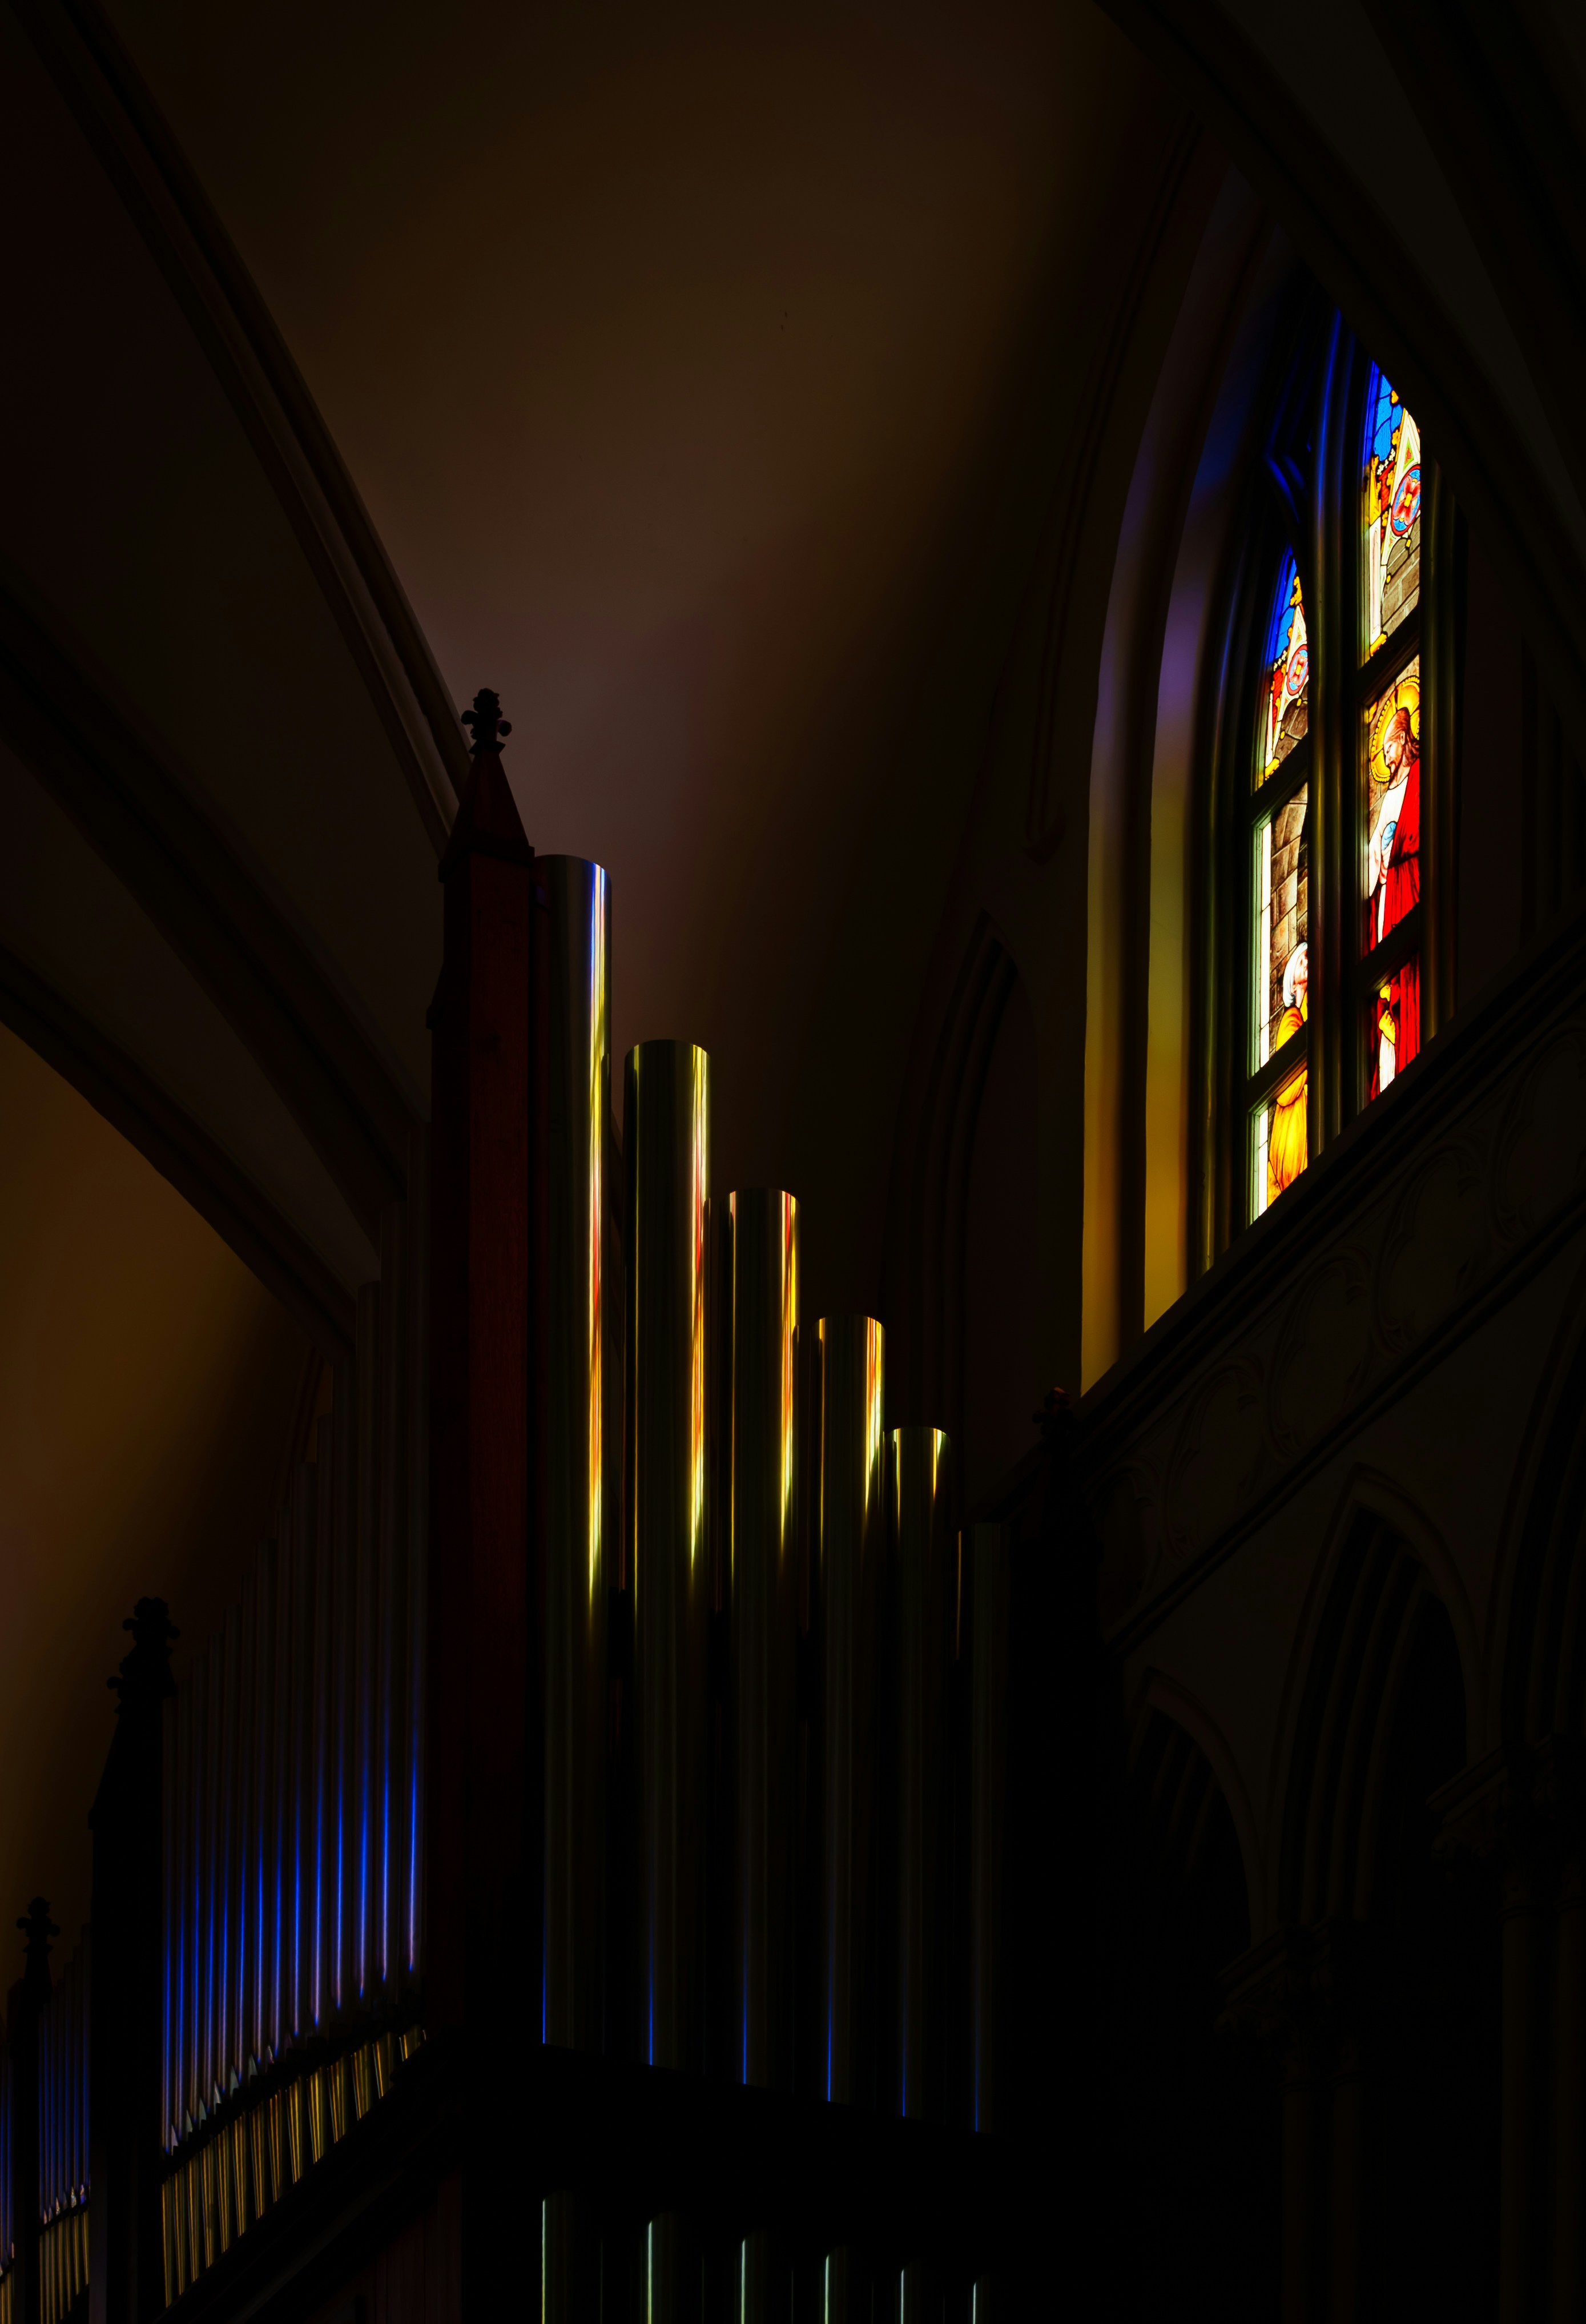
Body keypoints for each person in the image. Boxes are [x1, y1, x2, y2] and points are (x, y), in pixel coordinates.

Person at [1366, 702, 1420, 1096]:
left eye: (1390, 746)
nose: (1387, 756)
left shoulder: (1419, 777)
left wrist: (1397, 855)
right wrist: (1379, 867)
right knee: (1386, 981)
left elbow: (1416, 831)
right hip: (1388, 892)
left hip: (1411, 887)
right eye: (1383, 750)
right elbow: (1372, 851)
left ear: (1405, 741)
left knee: (1408, 974)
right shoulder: (1386, 799)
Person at [1267, 939, 1308, 1208]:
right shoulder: (1292, 1019)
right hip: (1292, 1128)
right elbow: (1284, 1090)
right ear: (1292, 982)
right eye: (1303, 960)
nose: (1309, 963)